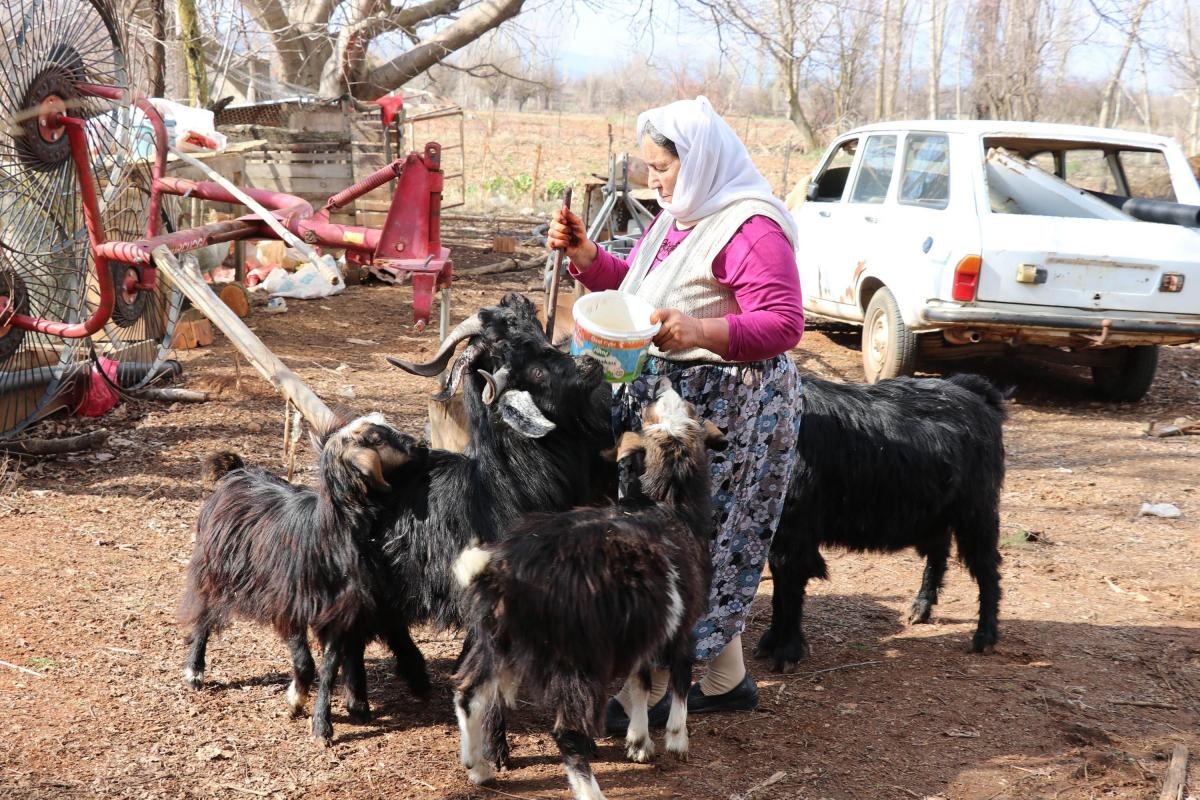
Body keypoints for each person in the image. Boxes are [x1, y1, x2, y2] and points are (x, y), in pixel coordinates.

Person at [546, 96, 804, 732]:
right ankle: (726, 678)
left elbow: (784, 322)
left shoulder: (750, 227)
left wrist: (700, 330)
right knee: (680, 535)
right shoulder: (681, 216)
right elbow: (639, 285)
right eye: (649, 168)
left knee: (694, 539)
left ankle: (665, 679)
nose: (652, 180)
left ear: (700, 162)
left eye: (662, 167)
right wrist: (587, 257)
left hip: (730, 417)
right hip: (673, 406)